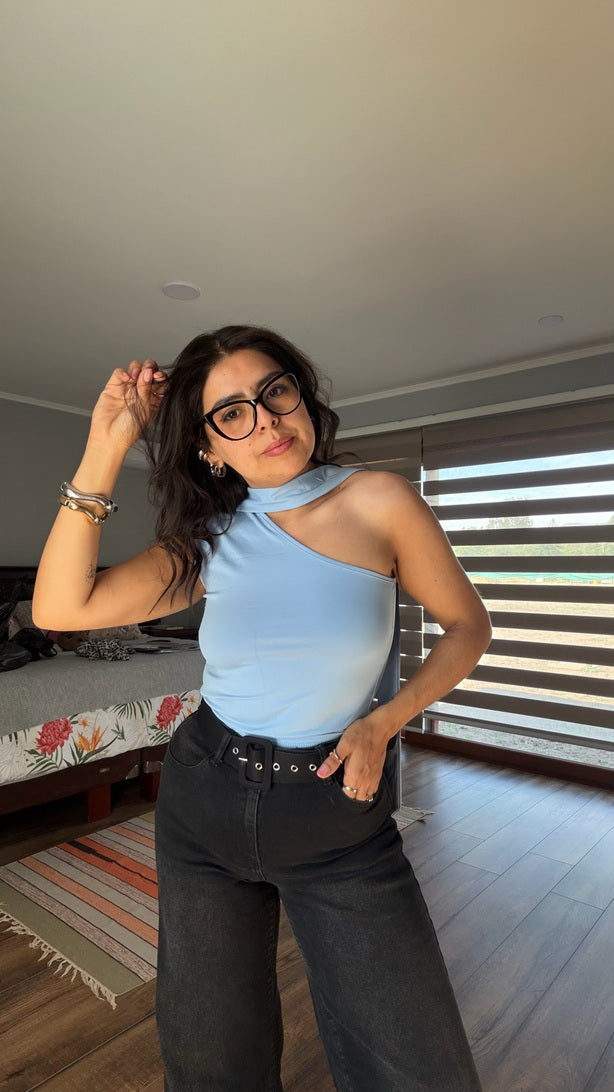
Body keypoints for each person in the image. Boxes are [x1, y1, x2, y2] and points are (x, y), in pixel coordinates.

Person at [33, 325, 491, 1092]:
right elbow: (58, 608)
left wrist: (383, 721)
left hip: (335, 810)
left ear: (303, 396)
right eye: (232, 412)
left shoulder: (379, 500)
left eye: (275, 391)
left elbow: (468, 626)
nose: (267, 421)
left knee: (416, 1066)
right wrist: (107, 446)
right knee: (212, 1061)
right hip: (205, 796)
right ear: (210, 447)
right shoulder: (207, 542)